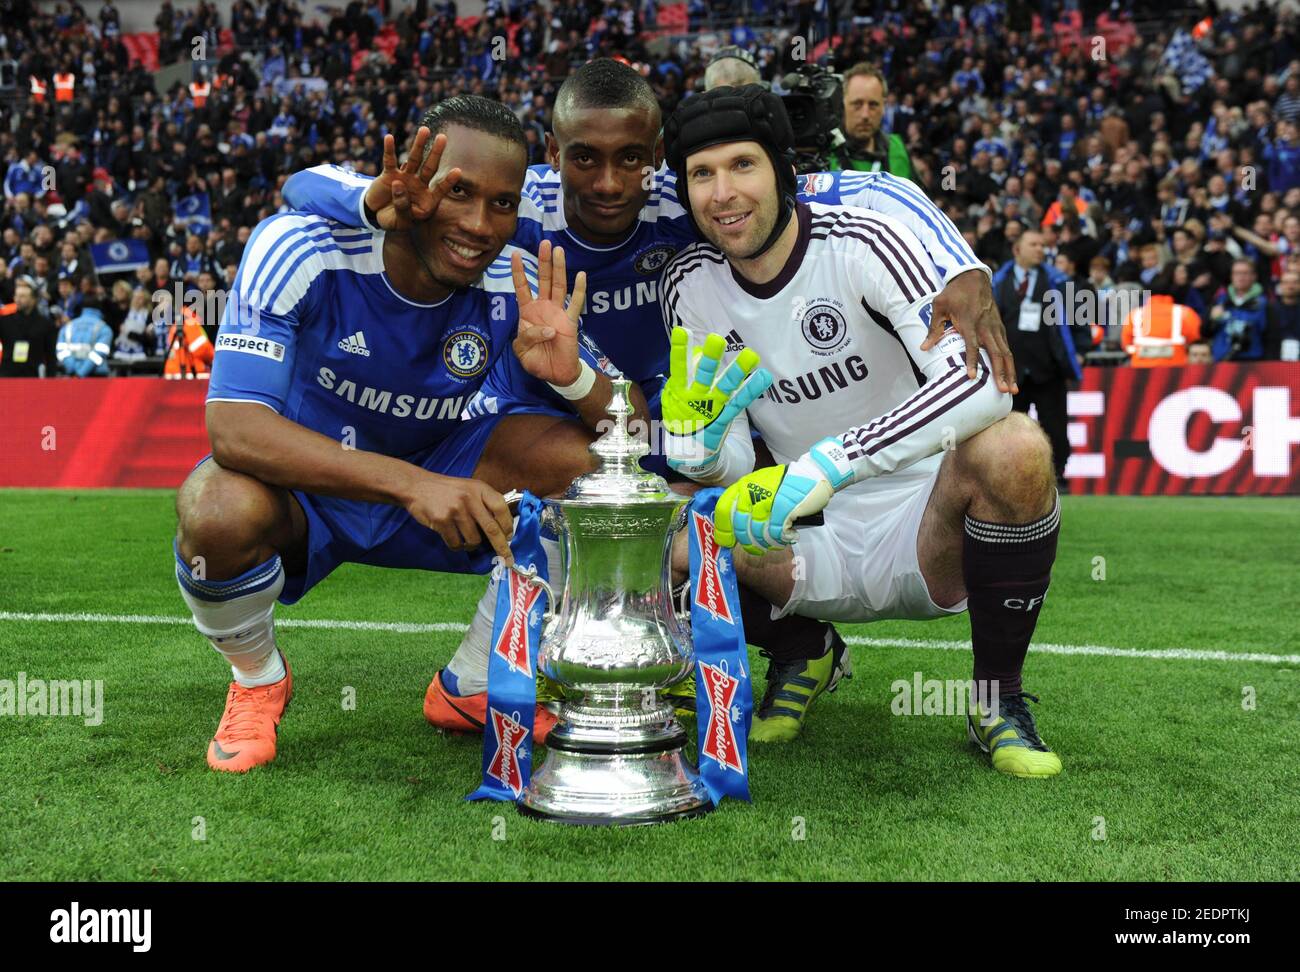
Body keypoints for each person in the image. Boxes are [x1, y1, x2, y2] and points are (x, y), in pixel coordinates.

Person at [284, 62, 1019, 742]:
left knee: (727, 495)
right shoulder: (520, 203)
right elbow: (304, 187)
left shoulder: (692, 194)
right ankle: (490, 676)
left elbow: (851, 188)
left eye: (631, 159)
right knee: (610, 491)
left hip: (680, 412)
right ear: (553, 151)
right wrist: (364, 201)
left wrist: (959, 260)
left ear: (657, 155)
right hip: (562, 404)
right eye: (585, 159)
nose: (608, 183)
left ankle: (788, 646)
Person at [173, 97, 619, 774]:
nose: (479, 225)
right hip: (311, 490)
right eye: (457, 192)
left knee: (583, 467)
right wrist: (411, 485)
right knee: (215, 508)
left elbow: (631, 429)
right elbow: (233, 430)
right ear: (410, 182)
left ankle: (472, 684)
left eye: (502, 203)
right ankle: (257, 678)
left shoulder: (517, 276)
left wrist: (574, 376)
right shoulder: (300, 247)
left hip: (444, 473)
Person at [660, 86, 1063, 778]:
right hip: (802, 540)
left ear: (783, 171)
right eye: (702, 174)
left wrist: (830, 462)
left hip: (924, 521)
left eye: (742, 166)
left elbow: (979, 384)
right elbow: (725, 460)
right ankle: (804, 646)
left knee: (1019, 448)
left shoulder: (863, 242)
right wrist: (700, 447)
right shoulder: (690, 286)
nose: (723, 193)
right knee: (662, 522)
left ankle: (998, 701)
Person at [833, 64, 915, 181]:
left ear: (883, 107)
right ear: (842, 105)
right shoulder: (824, 154)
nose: (865, 115)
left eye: (873, 105)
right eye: (857, 104)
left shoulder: (897, 148)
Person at [1206, 258, 1268, 361]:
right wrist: (1212, 320)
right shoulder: (1220, 300)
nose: (1241, 277)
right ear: (1231, 276)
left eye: (1245, 273)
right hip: (1222, 361)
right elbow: (1205, 332)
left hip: (1252, 361)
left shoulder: (1263, 304)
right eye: (1237, 273)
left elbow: (1269, 336)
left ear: (1254, 276)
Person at [1121, 292, 1203, 368]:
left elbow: (1126, 344)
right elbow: (1196, 340)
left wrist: (1136, 352)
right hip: (1176, 368)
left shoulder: (1135, 314)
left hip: (1140, 367)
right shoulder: (1185, 313)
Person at [0, 277, 56, 377]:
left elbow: (50, 357)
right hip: (8, 377)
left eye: (23, 296)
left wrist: (51, 382)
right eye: (16, 296)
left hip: (33, 377)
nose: (18, 299)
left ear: (33, 299)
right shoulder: (4, 321)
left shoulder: (46, 325)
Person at [56, 301, 112, 377]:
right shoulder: (104, 328)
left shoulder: (68, 327)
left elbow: (61, 351)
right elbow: (99, 354)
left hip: (70, 375)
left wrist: (73, 370)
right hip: (96, 377)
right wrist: (80, 373)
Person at [1265, 268, 1300, 360]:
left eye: (1295, 282)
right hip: (1275, 360)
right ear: (1280, 286)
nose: (1290, 286)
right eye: (1286, 282)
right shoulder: (1270, 309)